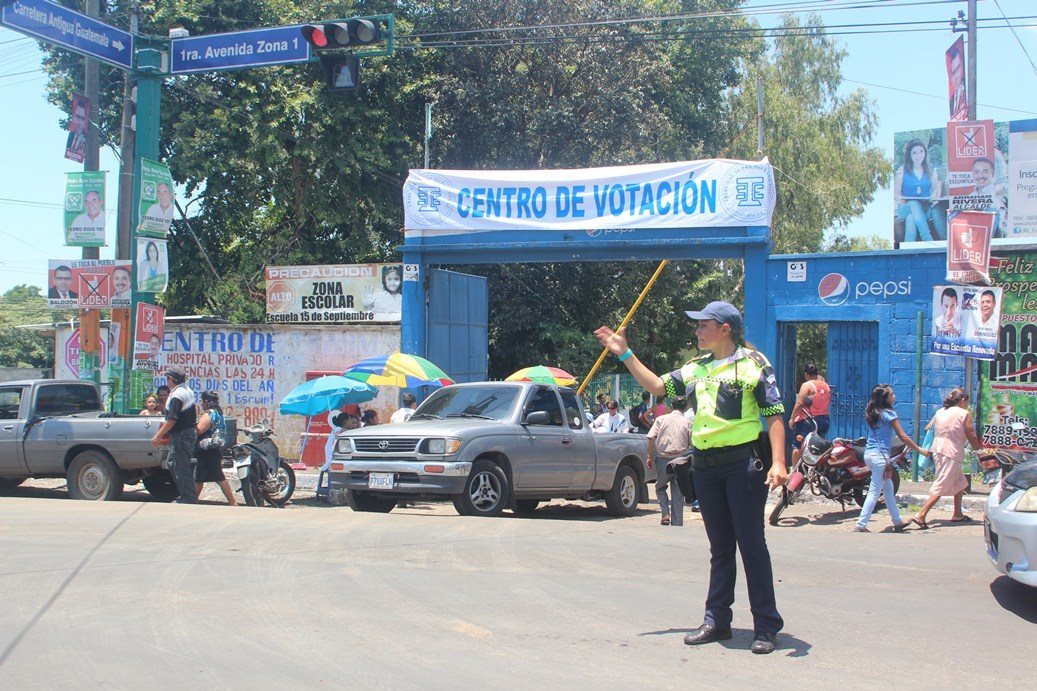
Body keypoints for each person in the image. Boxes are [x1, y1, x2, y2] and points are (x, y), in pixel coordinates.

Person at [595, 300, 788, 655]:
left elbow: (774, 413)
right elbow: (656, 387)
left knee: (751, 544)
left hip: (742, 463)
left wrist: (779, 462)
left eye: (703, 325)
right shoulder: (695, 368)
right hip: (705, 465)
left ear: (725, 329)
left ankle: (766, 626)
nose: (697, 330)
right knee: (720, 547)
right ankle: (717, 620)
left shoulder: (753, 364)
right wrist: (625, 354)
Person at [855, 384, 930, 533]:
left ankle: (897, 522)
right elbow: (903, 436)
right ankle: (860, 524)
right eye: (892, 394)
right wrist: (920, 449)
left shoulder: (872, 412)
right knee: (874, 491)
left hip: (870, 455)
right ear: (886, 399)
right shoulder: (889, 414)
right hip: (880, 456)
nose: (894, 396)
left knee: (888, 489)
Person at [910, 388, 983, 529]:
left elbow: (928, 427)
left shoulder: (940, 412)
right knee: (942, 483)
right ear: (963, 400)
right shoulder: (964, 413)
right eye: (966, 402)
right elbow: (971, 434)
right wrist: (979, 451)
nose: (967, 405)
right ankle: (921, 514)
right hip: (951, 451)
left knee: (960, 482)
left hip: (938, 449)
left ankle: (957, 513)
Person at [150, 367, 198, 504]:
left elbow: (172, 419)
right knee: (172, 463)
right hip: (184, 434)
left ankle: (189, 498)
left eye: (168, 378)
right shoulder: (185, 390)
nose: (167, 381)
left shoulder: (178, 395)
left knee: (180, 466)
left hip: (182, 435)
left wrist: (158, 436)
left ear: (172, 379)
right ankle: (185, 494)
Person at [647, 396, 692, 526]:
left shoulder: (661, 420)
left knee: (660, 487)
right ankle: (677, 522)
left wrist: (649, 456)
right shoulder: (687, 423)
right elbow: (693, 444)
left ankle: (665, 512)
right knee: (678, 492)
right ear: (685, 407)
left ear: (671, 406)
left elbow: (650, 438)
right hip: (681, 461)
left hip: (663, 459)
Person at [894, 139, 946, 242]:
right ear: (909, 155)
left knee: (911, 219)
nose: (919, 155)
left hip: (925, 208)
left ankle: (907, 249)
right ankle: (927, 238)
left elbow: (935, 189)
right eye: (914, 152)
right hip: (906, 207)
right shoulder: (902, 169)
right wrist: (903, 201)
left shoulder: (931, 169)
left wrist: (932, 196)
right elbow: (896, 193)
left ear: (925, 152)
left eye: (921, 151)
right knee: (913, 203)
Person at [194, 391, 237, 505]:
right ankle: (193, 500)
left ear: (207, 402)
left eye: (202, 401)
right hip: (215, 450)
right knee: (203, 476)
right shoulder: (218, 414)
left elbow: (199, 431)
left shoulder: (209, 415)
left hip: (207, 451)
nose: (201, 404)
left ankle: (233, 502)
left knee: (211, 476)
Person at [787, 364, 832, 467]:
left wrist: (792, 418)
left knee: (797, 446)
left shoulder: (807, 385)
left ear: (806, 375)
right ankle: (815, 472)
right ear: (817, 373)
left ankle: (795, 472)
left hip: (808, 421)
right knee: (818, 447)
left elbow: (800, 403)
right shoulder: (826, 386)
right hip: (824, 420)